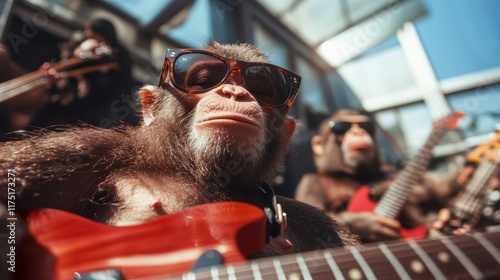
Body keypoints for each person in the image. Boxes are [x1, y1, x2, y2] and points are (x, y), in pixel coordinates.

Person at [0, 42, 359, 279]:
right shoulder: (108, 157)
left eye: (262, 91)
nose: (235, 91)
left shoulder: (308, 223)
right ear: (151, 107)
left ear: (284, 133)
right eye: (203, 79)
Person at [294, 108, 463, 243]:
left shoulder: (390, 176)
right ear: (319, 145)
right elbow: (304, 231)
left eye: (366, 127)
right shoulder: (315, 183)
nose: (358, 132)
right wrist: (350, 224)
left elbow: (441, 194)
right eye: (341, 128)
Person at [0, 18, 137, 142]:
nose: (93, 43)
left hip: (78, 123)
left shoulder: (116, 65)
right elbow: (59, 83)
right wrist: (53, 79)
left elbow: (99, 94)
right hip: (49, 111)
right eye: (89, 37)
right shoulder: (73, 49)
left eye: (99, 41)